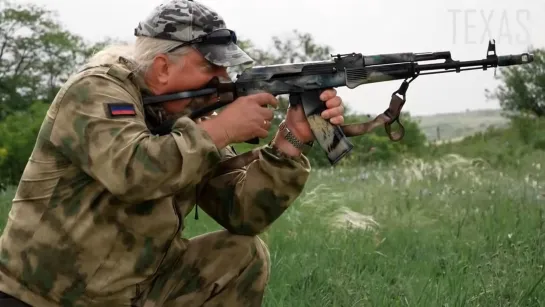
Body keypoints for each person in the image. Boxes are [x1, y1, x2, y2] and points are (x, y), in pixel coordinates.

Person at [0, 0, 346, 306]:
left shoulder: (188, 118)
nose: (224, 80)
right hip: (38, 297)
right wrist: (223, 128)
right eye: (211, 68)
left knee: (241, 255)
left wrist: (290, 140)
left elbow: (243, 213)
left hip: (132, 291)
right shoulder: (96, 90)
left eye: (226, 69)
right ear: (163, 68)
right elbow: (132, 172)